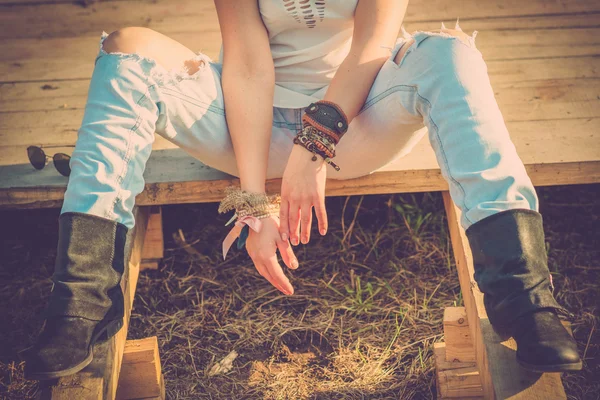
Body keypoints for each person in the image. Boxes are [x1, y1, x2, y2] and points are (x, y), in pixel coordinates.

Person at [23, 0, 581, 380]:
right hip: (251, 127)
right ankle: (79, 303)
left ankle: (525, 299)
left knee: (451, 54)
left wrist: (315, 144)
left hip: (358, 123)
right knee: (127, 47)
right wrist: (251, 198)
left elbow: (372, 48)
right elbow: (244, 61)